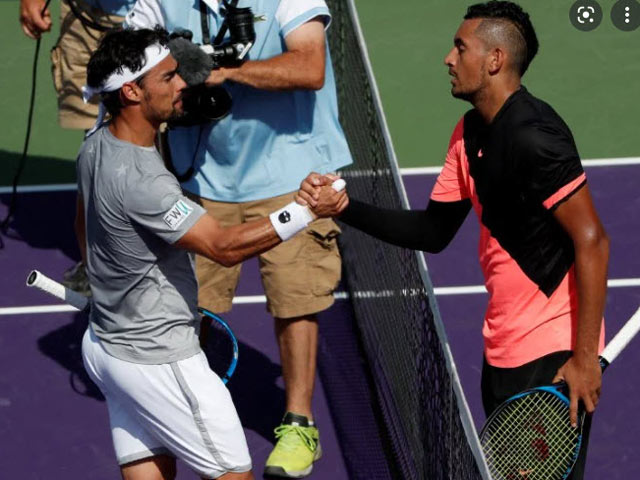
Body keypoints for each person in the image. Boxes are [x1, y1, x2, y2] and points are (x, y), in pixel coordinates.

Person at [298, 2, 609, 478]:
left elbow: (593, 240)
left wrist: (584, 358)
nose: (448, 57)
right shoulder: (467, 134)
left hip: (551, 355)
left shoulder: (535, 137)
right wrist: (344, 209)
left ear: (495, 60)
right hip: (503, 345)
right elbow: (433, 231)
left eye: (461, 47)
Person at [76, 27, 347, 480]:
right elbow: (222, 247)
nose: (182, 84)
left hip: (106, 346)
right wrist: (303, 212)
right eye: (167, 78)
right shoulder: (147, 182)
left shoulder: (95, 147)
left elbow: (84, 231)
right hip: (160, 359)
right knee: (233, 473)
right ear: (131, 91)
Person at [20, 0, 135, 294]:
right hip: (83, 14)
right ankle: (95, 260)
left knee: (161, 136)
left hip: (156, 13)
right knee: (95, 145)